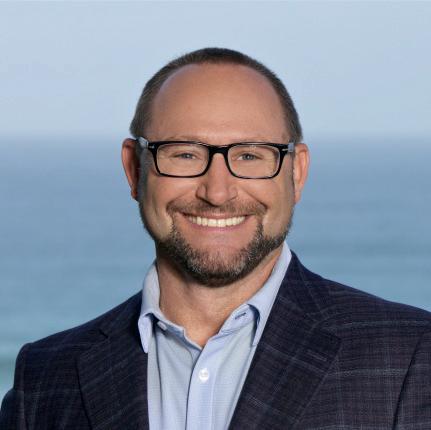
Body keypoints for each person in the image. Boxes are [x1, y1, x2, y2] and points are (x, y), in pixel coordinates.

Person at [1, 47, 430, 430]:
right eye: (185, 154)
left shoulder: (410, 356)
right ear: (134, 169)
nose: (218, 192)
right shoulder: (44, 379)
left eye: (250, 155)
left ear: (296, 173)